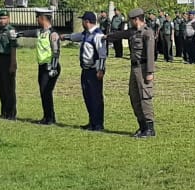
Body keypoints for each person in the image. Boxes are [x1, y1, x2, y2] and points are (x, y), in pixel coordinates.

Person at [111, 8, 156, 138]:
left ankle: (149, 128)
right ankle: (142, 126)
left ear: (136, 19)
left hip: (143, 68)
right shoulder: (132, 32)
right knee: (134, 96)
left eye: (131, 20)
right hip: (134, 68)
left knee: (145, 97)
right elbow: (120, 34)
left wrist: (150, 72)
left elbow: (150, 54)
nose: (129, 22)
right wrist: (105, 37)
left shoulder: (147, 33)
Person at [62, 11, 107, 131]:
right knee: (87, 96)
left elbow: (102, 54)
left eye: (83, 20)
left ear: (86, 21)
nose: (81, 22)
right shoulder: (86, 34)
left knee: (96, 97)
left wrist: (101, 70)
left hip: (94, 71)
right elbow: (77, 36)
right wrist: (65, 36)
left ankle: (98, 124)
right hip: (85, 70)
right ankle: (92, 121)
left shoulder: (98, 35)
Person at [33, 12, 61, 125]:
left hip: (50, 67)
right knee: (43, 92)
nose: (36, 20)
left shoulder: (52, 33)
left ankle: (50, 118)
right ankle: (47, 116)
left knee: (46, 92)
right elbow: (30, 33)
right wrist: (18, 34)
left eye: (37, 18)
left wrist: (53, 68)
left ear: (42, 18)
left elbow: (56, 52)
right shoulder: (41, 32)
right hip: (42, 66)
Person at [0, 8, 18, 120]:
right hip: (0, 59)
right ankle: (4, 112)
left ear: (8, 19)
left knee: (9, 87)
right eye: (0, 18)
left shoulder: (10, 31)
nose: (2, 21)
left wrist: (13, 64)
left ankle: (11, 113)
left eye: (4, 18)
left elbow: (13, 48)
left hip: (8, 59)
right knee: (1, 86)